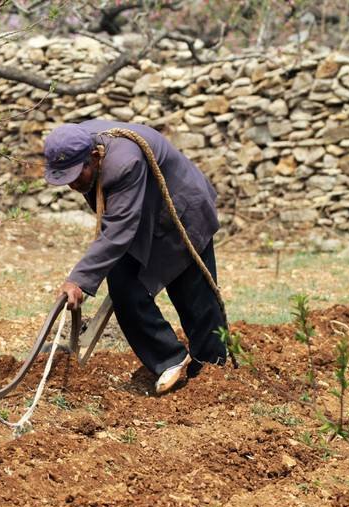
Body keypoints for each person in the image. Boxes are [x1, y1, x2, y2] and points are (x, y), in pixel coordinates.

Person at [43, 120, 227, 394]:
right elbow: (119, 223)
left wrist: (78, 279)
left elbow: (117, 231)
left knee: (195, 297)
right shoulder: (74, 143)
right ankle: (170, 358)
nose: (72, 185)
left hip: (181, 213)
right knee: (123, 286)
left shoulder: (123, 164)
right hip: (142, 219)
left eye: (75, 176)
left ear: (94, 157)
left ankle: (214, 371)